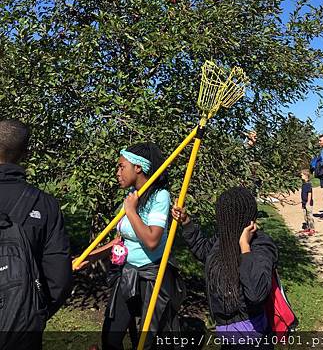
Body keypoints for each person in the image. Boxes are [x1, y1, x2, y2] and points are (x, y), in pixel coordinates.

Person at [75, 142, 185, 350]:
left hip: (152, 278)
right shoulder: (131, 197)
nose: (117, 172)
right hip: (127, 274)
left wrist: (132, 211)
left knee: (149, 342)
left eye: (121, 166)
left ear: (138, 168)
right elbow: (119, 241)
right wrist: (88, 258)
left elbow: (152, 241)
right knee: (111, 337)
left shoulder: (159, 197)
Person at [172, 186, 277, 343]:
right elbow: (202, 250)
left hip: (252, 334)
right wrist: (186, 222)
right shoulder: (223, 240)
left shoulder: (260, 245)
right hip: (224, 331)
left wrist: (245, 247)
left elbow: (256, 293)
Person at [0, 119, 72, 348]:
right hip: (22, 326)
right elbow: (58, 278)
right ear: (26, 154)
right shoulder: (45, 205)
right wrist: (35, 314)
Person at [299, 170, 315, 235]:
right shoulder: (303, 184)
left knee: (309, 216)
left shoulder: (308, 184)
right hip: (304, 202)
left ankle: (312, 228)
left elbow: (309, 193)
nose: (301, 176)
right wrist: (303, 203)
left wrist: (308, 202)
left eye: (302, 175)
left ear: (306, 176)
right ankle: (308, 227)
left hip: (308, 203)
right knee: (305, 216)